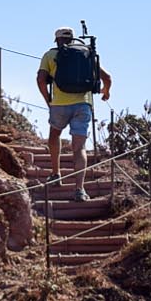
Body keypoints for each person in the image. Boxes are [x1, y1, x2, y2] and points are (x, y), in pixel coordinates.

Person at [36, 26, 111, 196]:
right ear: (73, 39)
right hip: (83, 105)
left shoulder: (50, 55)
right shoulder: (86, 54)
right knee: (79, 148)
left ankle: (56, 174)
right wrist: (106, 92)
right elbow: (107, 78)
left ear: (57, 40)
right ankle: (80, 189)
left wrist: (48, 99)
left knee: (54, 136)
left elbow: (40, 79)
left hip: (59, 104)